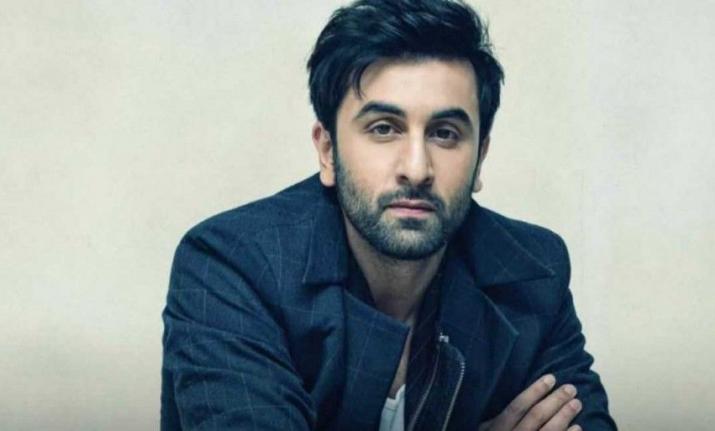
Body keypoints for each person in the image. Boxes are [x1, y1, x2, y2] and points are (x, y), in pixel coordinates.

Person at [160, 0, 617, 430]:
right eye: (384, 129)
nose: (416, 169)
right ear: (327, 151)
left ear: (480, 158)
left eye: (445, 133)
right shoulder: (233, 264)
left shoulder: (532, 272)